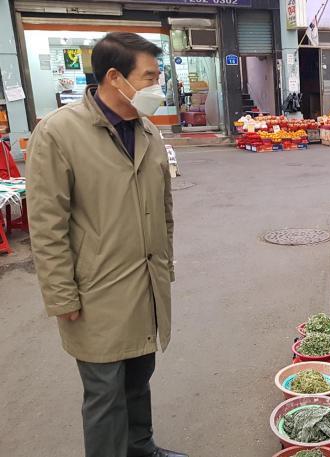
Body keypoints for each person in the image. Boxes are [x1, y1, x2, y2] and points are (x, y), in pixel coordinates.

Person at [26, 33, 185, 457]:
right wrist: (62, 296)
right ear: (115, 77)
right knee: (104, 395)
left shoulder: (147, 130)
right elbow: (46, 225)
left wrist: (164, 267)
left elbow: (163, 208)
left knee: (139, 378)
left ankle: (140, 446)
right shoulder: (59, 134)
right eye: (149, 76)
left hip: (146, 284)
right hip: (96, 293)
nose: (158, 85)